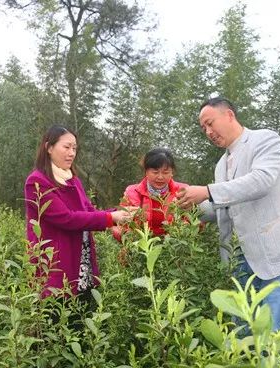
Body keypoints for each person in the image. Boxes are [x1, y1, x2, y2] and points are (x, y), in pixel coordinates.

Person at [176, 97, 280, 348]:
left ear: (229, 115)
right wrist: (185, 208)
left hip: (277, 256)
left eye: (210, 123)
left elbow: (261, 181)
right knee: (243, 340)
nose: (208, 132)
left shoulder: (264, 139)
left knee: (276, 342)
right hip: (241, 263)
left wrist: (206, 190)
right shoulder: (221, 165)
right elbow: (223, 206)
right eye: (203, 128)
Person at [25, 125, 133, 298]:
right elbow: (65, 218)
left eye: (74, 148)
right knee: (58, 315)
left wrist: (119, 214)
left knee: (83, 315)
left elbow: (89, 210)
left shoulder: (72, 180)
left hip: (82, 263)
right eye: (66, 147)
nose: (71, 153)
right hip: (56, 265)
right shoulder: (37, 181)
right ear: (49, 148)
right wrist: (110, 218)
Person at [113, 148, 188, 240]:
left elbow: (191, 221)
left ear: (172, 172)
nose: (160, 177)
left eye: (166, 172)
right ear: (146, 172)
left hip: (174, 248)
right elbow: (122, 224)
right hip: (142, 247)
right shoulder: (132, 193)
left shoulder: (183, 191)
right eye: (155, 172)